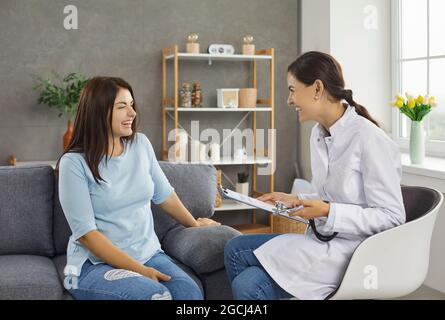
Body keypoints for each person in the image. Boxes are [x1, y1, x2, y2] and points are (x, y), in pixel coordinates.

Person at [224, 51, 406, 300]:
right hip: (323, 242)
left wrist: (327, 212)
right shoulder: (319, 135)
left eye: (292, 89)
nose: (289, 100)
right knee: (234, 248)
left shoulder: (369, 139)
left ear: (317, 88)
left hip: (353, 254)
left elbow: (393, 218)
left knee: (248, 284)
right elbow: (330, 195)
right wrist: (296, 198)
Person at [57, 76, 220, 300]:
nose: (132, 113)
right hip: (92, 266)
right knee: (155, 295)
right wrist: (140, 271)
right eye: (122, 107)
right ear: (98, 112)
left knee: (189, 294)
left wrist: (195, 224)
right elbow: (86, 235)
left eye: (132, 105)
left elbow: (165, 195)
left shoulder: (140, 144)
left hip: (149, 254)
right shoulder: (74, 163)